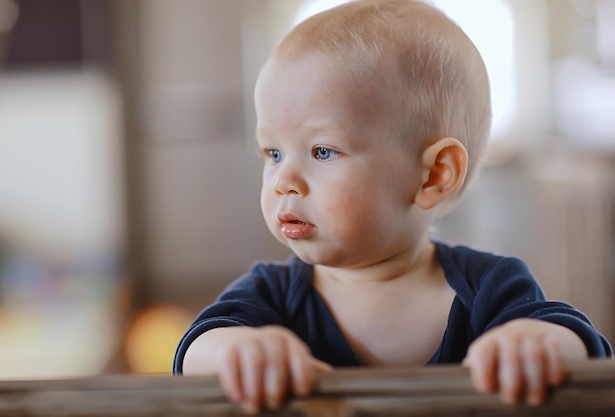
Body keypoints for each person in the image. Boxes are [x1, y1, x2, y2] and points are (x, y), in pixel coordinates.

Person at [173, 0, 612, 412]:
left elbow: (583, 344)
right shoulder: (270, 294)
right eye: (272, 153)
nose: (284, 181)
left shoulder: (489, 288)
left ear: (433, 176)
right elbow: (195, 350)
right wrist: (236, 351)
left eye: (323, 151)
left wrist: (535, 343)